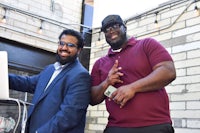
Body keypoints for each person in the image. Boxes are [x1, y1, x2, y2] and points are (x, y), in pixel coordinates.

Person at [90, 14, 176, 133]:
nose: (111, 31)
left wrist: (133, 88)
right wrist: (107, 83)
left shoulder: (146, 45)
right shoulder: (100, 63)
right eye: (106, 29)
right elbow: (93, 99)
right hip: (116, 127)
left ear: (125, 27)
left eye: (115, 26)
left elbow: (169, 71)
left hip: (154, 125)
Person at [9, 29, 91, 133]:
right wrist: (3, 77)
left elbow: (69, 116)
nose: (64, 48)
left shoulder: (80, 75)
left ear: (79, 50)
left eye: (70, 45)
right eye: (61, 43)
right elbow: (28, 83)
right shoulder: (50, 69)